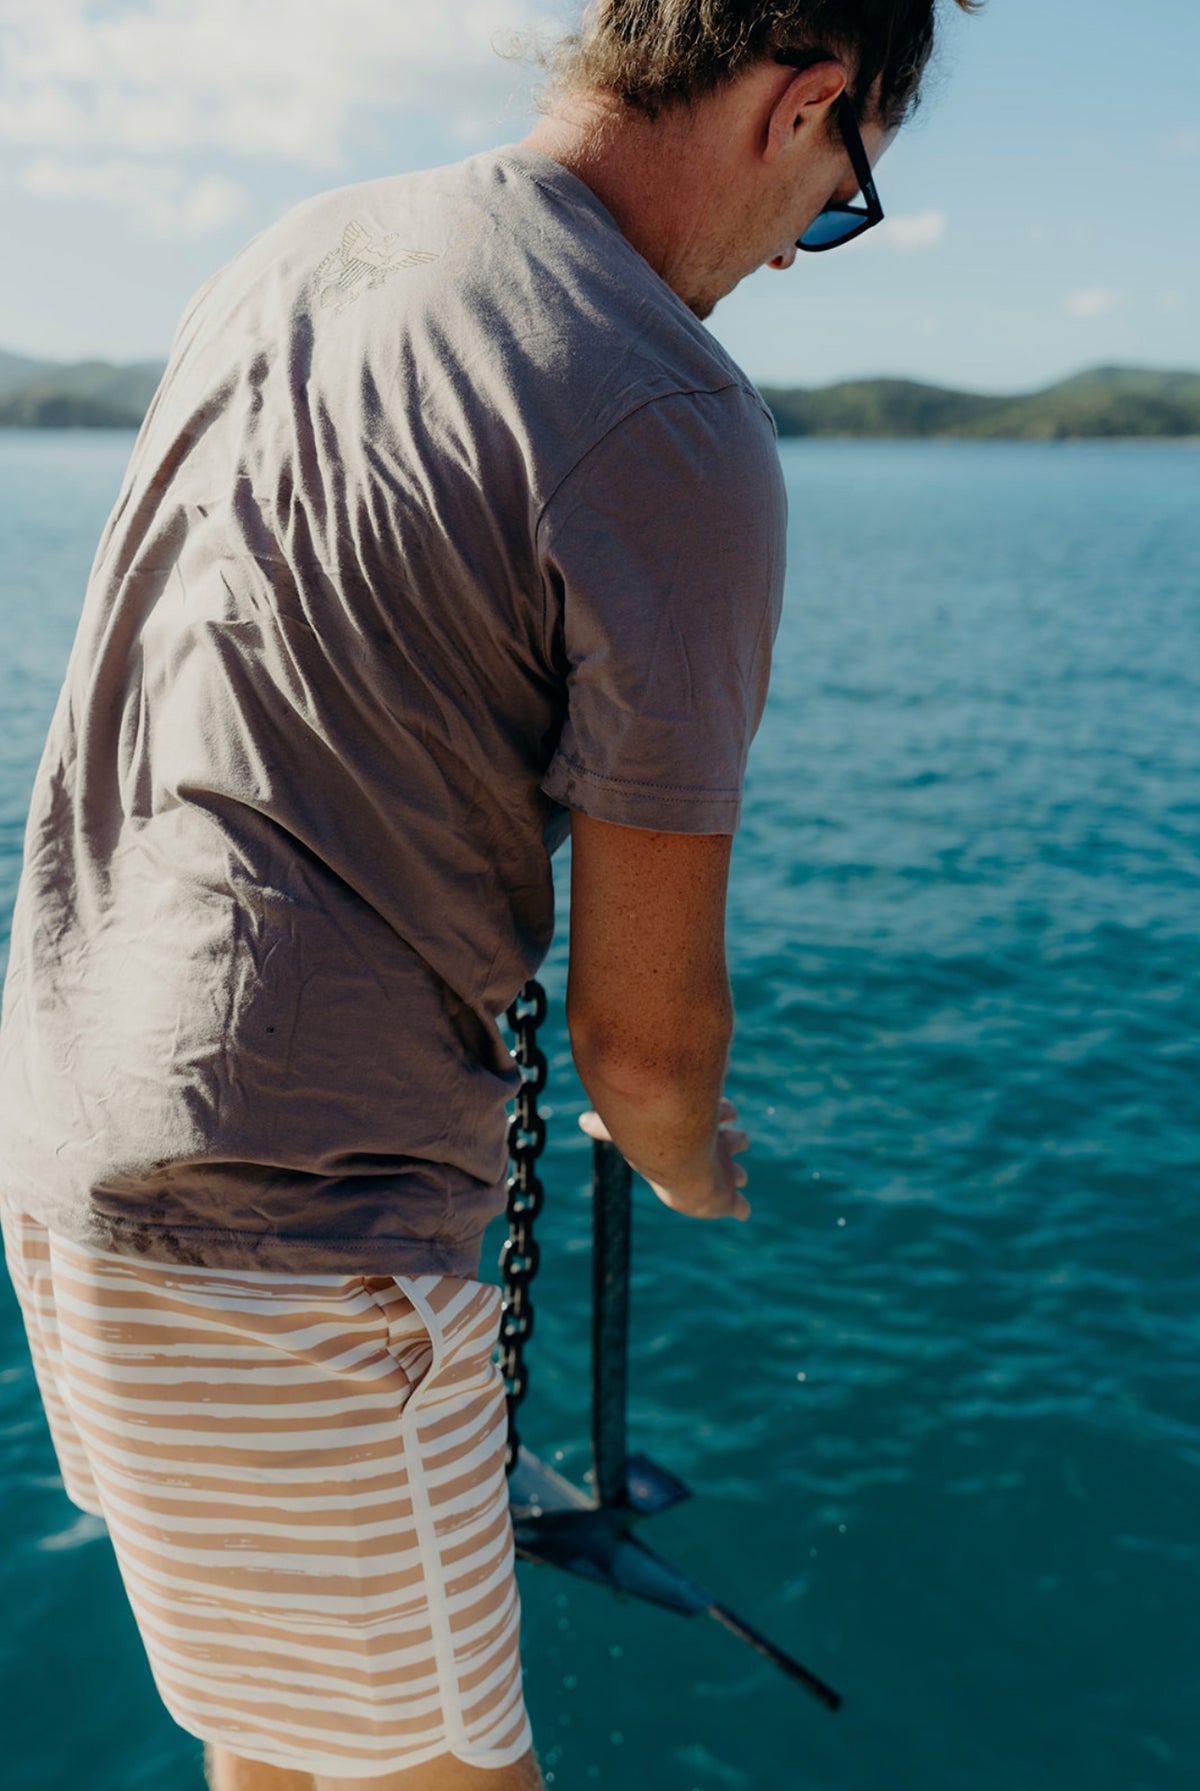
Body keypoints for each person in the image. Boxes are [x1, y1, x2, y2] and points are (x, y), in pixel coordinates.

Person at [0, 3, 979, 1787]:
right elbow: (642, 1043)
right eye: (840, 210)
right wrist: (701, 1174)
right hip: (301, 1241)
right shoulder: (669, 415)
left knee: (281, 1750)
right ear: (809, 102)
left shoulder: (303, 253)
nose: (797, 257)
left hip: (70, 1172)